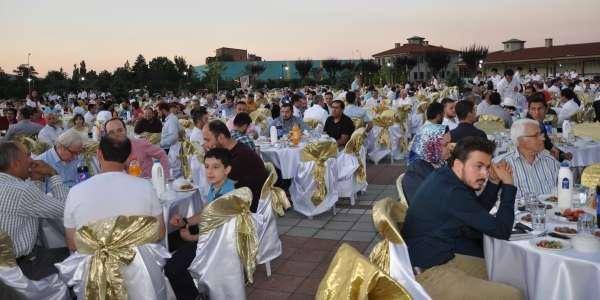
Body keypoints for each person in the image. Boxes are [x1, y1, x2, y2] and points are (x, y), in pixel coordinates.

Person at [402, 137, 522, 299]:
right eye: (478, 166)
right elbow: (501, 230)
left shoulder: (447, 176)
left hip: (441, 257)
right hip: (429, 273)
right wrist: (508, 185)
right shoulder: (452, 191)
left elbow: (476, 211)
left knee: (509, 274)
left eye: (487, 167)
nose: (485, 173)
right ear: (458, 164)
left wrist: (493, 182)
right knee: (513, 294)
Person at [63, 133, 165, 253]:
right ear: (128, 157)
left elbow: (73, 244)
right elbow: (160, 233)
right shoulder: (145, 187)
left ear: (99, 154)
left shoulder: (76, 192)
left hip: (94, 268)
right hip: (139, 266)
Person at [165, 148, 236, 300]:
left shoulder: (227, 196)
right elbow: (205, 212)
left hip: (216, 246)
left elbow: (219, 235)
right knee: (167, 241)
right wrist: (185, 221)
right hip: (208, 235)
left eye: (216, 167)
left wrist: (191, 238)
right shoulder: (218, 186)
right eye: (207, 166)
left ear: (227, 169)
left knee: (172, 268)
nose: (210, 172)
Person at [0, 141, 70, 280]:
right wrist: (53, 173)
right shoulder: (21, 191)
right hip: (19, 268)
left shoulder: (13, 186)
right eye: (27, 156)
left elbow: (30, 207)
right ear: (15, 164)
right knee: (74, 262)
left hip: (6, 265)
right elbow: (66, 208)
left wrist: (36, 180)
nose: (32, 159)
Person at [202, 120, 268, 212]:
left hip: (247, 211)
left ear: (221, 137)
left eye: (207, 140)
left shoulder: (238, 158)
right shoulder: (235, 149)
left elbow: (219, 191)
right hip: (242, 201)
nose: (205, 144)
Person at [495, 119, 559, 199]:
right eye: (536, 135)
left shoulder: (551, 162)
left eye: (541, 134)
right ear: (520, 140)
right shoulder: (501, 164)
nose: (543, 138)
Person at [104, 118, 170, 178]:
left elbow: (162, 154)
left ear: (126, 131)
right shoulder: (108, 154)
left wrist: (166, 176)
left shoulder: (140, 144)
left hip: (147, 187)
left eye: (120, 130)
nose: (117, 135)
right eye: (111, 133)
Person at [403, 124, 450, 204]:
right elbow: (424, 207)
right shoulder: (415, 174)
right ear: (430, 146)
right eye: (445, 145)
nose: (450, 148)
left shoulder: (439, 163)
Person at [526, 92, 572, 161]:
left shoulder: (540, 124)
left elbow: (547, 144)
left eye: (540, 108)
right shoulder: (527, 128)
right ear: (529, 110)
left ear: (546, 109)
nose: (537, 113)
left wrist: (562, 154)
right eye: (533, 109)